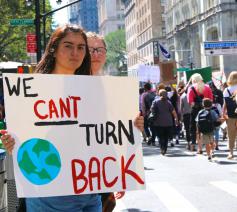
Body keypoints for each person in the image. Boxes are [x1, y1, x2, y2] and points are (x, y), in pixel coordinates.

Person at [2, 25, 144, 212]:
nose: (75, 52)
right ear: (53, 49)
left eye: (80, 47)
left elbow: (102, 135)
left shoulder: (94, 89)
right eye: (68, 46)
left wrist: (133, 128)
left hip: (88, 191)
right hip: (49, 193)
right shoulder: (32, 89)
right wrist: (11, 142)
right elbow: (23, 139)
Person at [86, 31, 127, 212]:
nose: (95, 54)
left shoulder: (114, 87)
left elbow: (119, 132)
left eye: (100, 49)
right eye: (89, 49)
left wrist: (121, 175)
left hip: (102, 166)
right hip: (74, 169)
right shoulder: (65, 83)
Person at [187, 73, 213, 153]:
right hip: (207, 110)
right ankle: (211, 148)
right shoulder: (207, 88)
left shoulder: (191, 88)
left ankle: (199, 148)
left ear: (193, 80)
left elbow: (190, 102)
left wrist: (196, 106)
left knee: (196, 129)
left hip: (195, 111)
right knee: (208, 129)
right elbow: (211, 100)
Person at [150, 89, 178, 155]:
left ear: (159, 94)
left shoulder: (155, 102)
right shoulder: (168, 102)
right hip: (168, 122)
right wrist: (176, 119)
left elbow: (152, 109)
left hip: (158, 122)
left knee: (160, 137)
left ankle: (162, 148)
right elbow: (173, 112)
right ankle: (164, 148)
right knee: (166, 137)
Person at [222, 71, 237, 159]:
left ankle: (231, 153)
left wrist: (223, 113)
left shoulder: (226, 90)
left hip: (231, 115)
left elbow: (225, 104)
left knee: (231, 134)